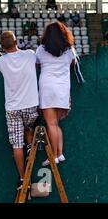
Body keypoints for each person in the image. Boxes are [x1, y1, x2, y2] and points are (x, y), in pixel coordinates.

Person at [0, 31, 39, 191]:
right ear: (17, 41)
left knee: (17, 144)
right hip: (31, 106)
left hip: (13, 109)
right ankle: (30, 143)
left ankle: (23, 178)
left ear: (2, 46)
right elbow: (35, 63)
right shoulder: (30, 54)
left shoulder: (1, 61)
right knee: (29, 126)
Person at [36, 22, 76, 166]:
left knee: (51, 124)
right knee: (56, 123)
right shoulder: (69, 50)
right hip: (63, 89)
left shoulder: (41, 49)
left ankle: (53, 156)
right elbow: (74, 63)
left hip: (47, 87)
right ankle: (59, 154)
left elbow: (36, 63)